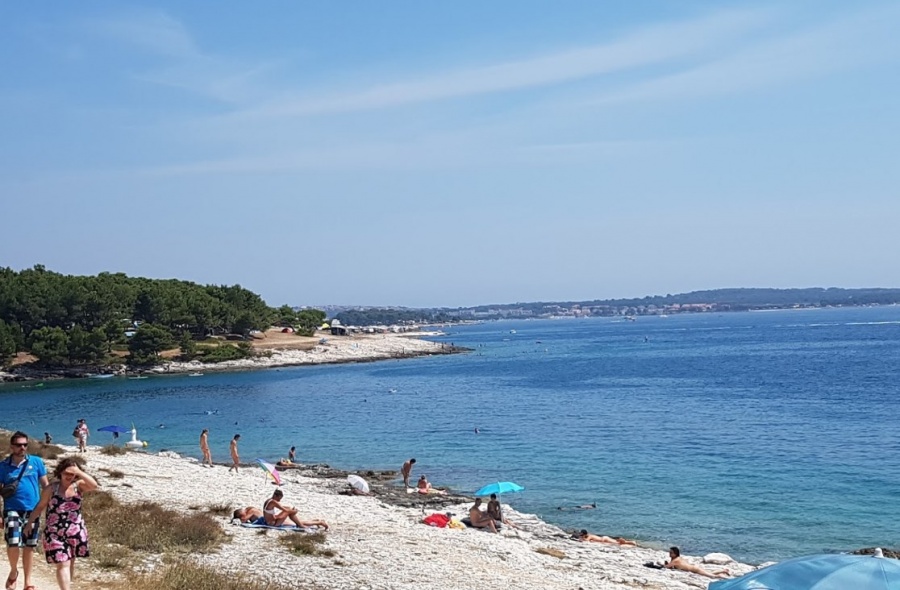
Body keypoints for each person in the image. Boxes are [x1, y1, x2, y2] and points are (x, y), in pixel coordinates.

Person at [24, 457, 98, 590]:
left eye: (72, 474)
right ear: (60, 472)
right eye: (66, 473)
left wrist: (79, 472)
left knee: (70, 563)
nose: (69, 476)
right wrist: (30, 523)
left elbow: (94, 485)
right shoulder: (51, 489)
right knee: (63, 563)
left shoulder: (79, 486)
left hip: (75, 531)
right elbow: (40, 506)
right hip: (54, 532)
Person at [0, 431, 49, 590]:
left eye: (25, 445)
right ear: (12, 446)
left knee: (29, 546)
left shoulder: (36, 462)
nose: (22, 448)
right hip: (12, 508)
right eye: (19, 445)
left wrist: (50, 504)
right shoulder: (3, 466)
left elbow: (46, 486)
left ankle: (28, 582)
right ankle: (14, 571)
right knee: (13, 543)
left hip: (33, 510)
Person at [263, 490, 328, 530]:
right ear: (275, 495)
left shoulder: (269, 500)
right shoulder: (273, 502)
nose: (279, 500)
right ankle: (302, 525)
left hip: (273, 520)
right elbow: (285, 510)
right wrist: (294, 511)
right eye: (279, 498)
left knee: (296, 522)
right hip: (273, 524)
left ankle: (316, 522)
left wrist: (291, 509)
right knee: (291, 514)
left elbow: (281, 507)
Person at [664, 547, 730, 579]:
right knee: (709, 572)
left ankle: (722, 577)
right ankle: (723, 571)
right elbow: (671, 566)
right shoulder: (677, 558)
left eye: (671, 553)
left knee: (712, 576)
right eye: (669, 552)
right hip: (694, 568)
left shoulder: (675, 560)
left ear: (675, 554)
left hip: (695, 569)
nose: (669, 553)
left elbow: (666, 567)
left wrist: (665, 564)